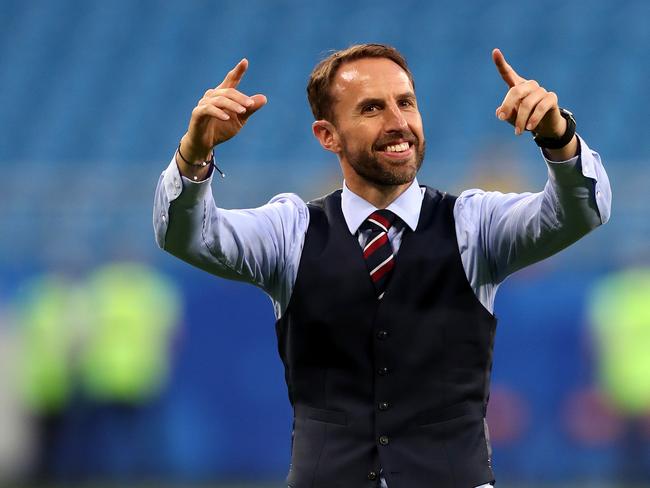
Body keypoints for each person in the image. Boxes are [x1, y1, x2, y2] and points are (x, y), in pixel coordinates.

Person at [153, 44, 611, 488]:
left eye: (406, 103)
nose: (398, 123)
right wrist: (194, 156)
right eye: (372, 109)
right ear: (327, 135)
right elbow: (184, 235)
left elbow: (582, 211)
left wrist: (557, 135)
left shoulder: (474, 224)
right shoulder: (290, 231)